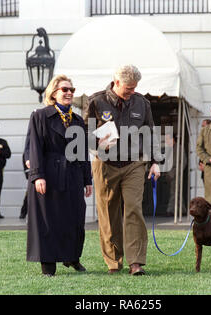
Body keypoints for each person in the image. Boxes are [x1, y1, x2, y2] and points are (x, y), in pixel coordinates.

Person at [84, 65, 161, 276]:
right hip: (105, 164)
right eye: (129, 88)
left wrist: (155, 161)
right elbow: (84, 133)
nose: (132, 92)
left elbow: (150, 132)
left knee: (134, 209)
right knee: (108, 213)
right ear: (116, 82)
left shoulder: (142, 103)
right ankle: (113, 262)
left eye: (135, 87)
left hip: (133, 164)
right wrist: (98, 145)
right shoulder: (95, 101)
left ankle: (136, 262)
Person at [26, 74, 93, 277]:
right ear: (54, 93)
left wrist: (87, 179)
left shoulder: (78, 120)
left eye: (71, 89)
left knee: (74, 218)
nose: (69, 93)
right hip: (48, 174)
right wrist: (38, 175)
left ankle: (72, 257)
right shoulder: (40, 116)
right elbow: (34, 148)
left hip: (72, 175)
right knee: (48, 221)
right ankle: (48, 265)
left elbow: (82, 152)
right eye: (65, 89)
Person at [198, 119, 211, 183]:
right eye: (202, 126)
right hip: (205, 173)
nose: (202, 128)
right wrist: (200, 164)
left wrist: (206, 166)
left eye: (204, 126)